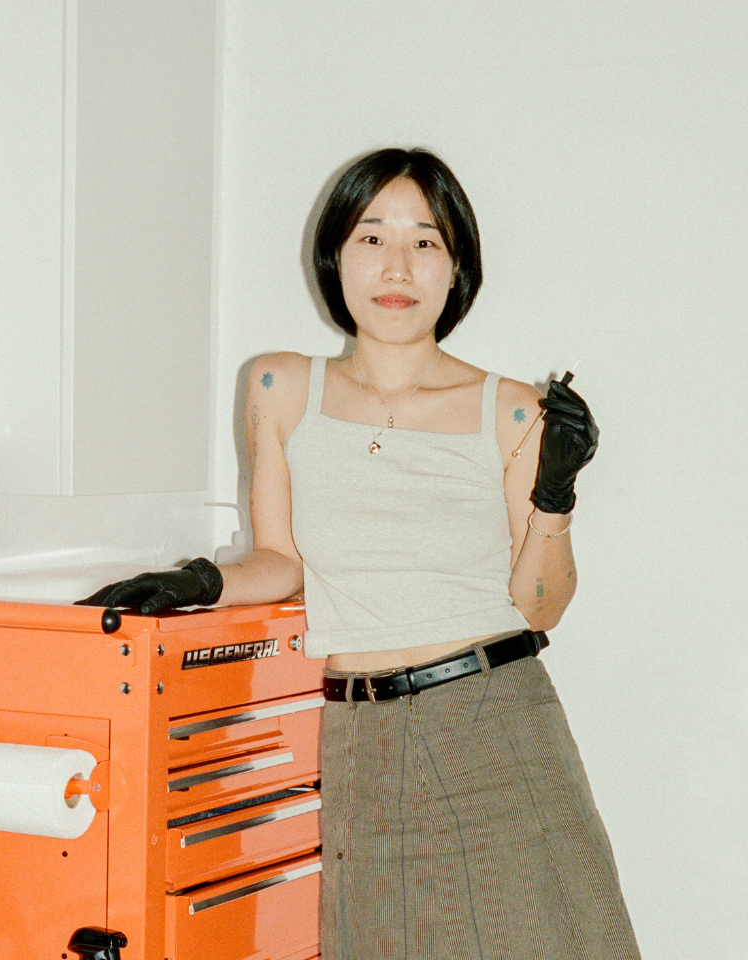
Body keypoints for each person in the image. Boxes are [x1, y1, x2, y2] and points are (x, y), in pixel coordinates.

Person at [79, 148, 641, 960]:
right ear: (335, 254)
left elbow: (541, 605)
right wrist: (199, 582)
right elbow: (282, 559)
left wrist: (556, 496)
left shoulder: (511, 411)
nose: (398, 266)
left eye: (427, 242)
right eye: (373, 237)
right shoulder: (279, 387)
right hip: (361, 736)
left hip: (493, 723)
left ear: (457, 270)